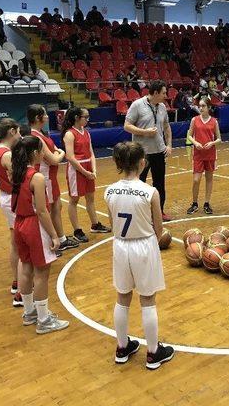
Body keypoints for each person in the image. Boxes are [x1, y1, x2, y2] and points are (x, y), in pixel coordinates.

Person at [105, 142, 175, 369]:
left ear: (117, 163)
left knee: (122, 297)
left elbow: (112, 224)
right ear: (142, 163)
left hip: (120, 245)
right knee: (147, 300)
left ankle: (122, 347)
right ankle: (154, 353)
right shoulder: (150, 192)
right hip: (143, 246)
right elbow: (159, 229)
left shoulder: (109, 191)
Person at [11, 135, 70, 334]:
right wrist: (54, 235)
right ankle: (44, 320)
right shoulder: (36, 177)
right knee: (42, 273)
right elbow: (42, 210)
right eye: (41, 151)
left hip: (19, 222)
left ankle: (29, 312)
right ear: (35, 153)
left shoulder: (15, 173)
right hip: (34, 225)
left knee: (26, 268)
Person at [28, 105, 80, 252]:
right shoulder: (36, 136)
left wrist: (58, 152)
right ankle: (51, 242)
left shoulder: (41, 133)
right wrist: (62, 153)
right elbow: (54, 159)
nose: (47, 116)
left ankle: (61, 239)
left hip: (50, 177)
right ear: (38, 118)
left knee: (57, 206)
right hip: (44, 178)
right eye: (44, 114)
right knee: (47, 209)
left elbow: (54, 151)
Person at [124, 81, 173, 221]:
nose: (166, 95)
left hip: (159, 152)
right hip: (141, 153)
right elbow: (127, 126)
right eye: (163, 93)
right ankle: (139, 213)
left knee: (159, 184)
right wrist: (144, 132)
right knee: (139, 183)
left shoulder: (162, 107)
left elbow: (167, 127)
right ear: (156, 93)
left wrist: (169, 145)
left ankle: (160, 212)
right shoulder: (137, 105)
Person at [0, 118, 24, 307]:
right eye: (18, 131)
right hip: (13, 200)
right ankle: (21, 292)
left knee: (15, 242)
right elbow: (21, 179)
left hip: (6, 197)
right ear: (11, 131)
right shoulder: (7, 154)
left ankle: (17, 282)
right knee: (21, 244)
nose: (20, 135)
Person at [62, 107, 111, 243]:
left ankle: (95, 224)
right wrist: (85, 172)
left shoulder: (86, 133)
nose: (88, 119)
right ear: (77, 117)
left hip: (88, 166)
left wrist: (93, 170)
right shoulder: (69, 134)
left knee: (90, 198)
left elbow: (91, 153)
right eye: (86, 117)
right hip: (76, 169)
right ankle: (77, 230)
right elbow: (70, 157)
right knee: (74, 200)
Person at [186, 97, 221, 215]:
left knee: (209, 178)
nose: (201, 108)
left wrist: (212, 143)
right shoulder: (194, 120)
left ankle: (207, 203)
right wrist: (195, 143)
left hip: (210, 153)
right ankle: (194, 203)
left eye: (203, 106)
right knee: (196, 180)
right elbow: (189, 135)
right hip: (198, 154)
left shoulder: (214, 121)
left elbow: (219, 139)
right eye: (200, 106)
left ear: (209, 107)